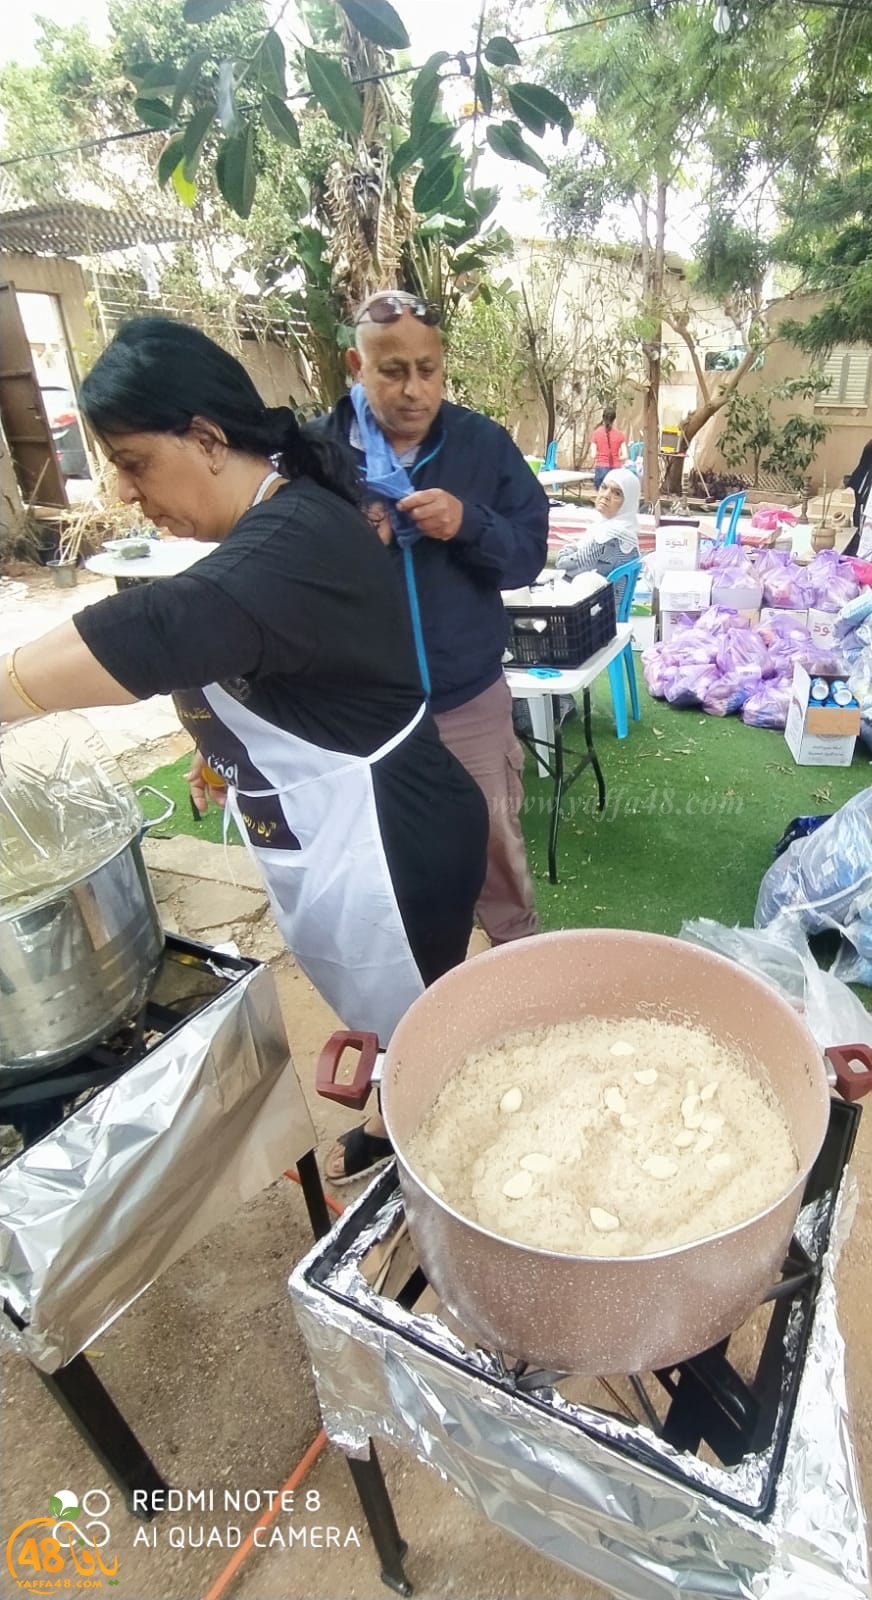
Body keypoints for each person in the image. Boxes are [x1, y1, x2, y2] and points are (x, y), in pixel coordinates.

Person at [0, 317, 489, 1184]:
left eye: (136, 462)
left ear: (207, 437)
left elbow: (161, 627)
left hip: (389, 844)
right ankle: (397, 1113)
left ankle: (437, 1171)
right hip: (328, 834)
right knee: (384, 1016)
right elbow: (263, 661)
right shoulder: (270, 525)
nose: (127, 491)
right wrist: (218, 748)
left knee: (423, 1029)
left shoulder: (294, 537)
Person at [308, 288, 548, 973]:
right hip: (366, 707)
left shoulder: (481, 444)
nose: (414, 389)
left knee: (495, 840)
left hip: (468, 696)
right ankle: (416, 979)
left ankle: (520, 959)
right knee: (387, 847)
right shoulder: (318, 454)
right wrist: (356, 541)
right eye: (392, 371)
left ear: (443, 367)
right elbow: (289, 571)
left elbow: (529, 554)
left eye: (428, 369)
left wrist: (468, 523)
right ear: (357, 365)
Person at [556, 467, 641, 577]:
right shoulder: (628, 531)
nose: (605, 496)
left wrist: (570, 548)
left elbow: (563, 565)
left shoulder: (609, 538)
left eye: (617, 494)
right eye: (604, 487)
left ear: (628, 503)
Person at [589, 405, 627, 489]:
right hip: (616, 470)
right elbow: (625, 455)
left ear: (603, 418)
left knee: (601, 495)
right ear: (614, 419)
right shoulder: (620, 434)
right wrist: (617, 457)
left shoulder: (596, 433)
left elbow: (593, 455)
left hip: (601, 469)